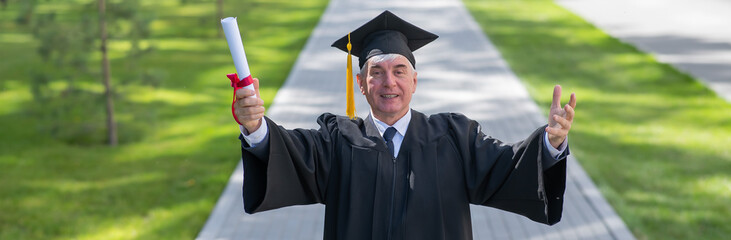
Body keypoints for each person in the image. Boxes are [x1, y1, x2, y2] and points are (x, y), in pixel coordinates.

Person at [232, 10, 576, 240]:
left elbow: (509, 165)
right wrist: (255, 127)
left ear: (414, 81)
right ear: (361, 83)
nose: (389, 83)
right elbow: (287, 153)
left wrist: (550, 143)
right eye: (376, 73)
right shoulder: (337, 140)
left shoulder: (454, 136)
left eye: (399, 71)